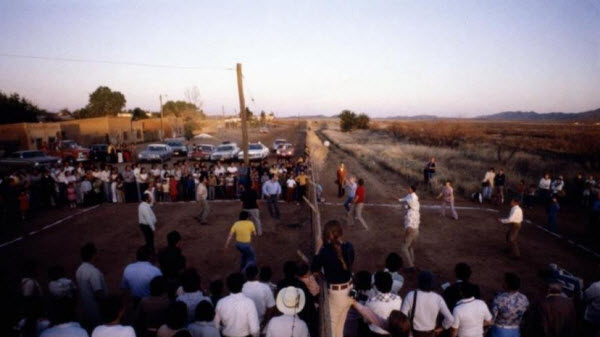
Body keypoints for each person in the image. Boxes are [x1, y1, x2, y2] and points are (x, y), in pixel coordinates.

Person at [311, 220, 355, 337]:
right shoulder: (349, 246)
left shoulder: (325, 251)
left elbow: (314, 268)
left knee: (332, 326)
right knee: (340, 326)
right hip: (349, 288)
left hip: (336, 294)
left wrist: (319, 248)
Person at [400, 271, 453, 337]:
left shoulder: (411, 295)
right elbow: (450, 319)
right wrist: (441, 328)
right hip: (430, 334)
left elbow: (402, 317)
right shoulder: (438, 298)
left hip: (413, 333)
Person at [214, 272, 260, 337]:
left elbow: (215, 325)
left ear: (227, 286)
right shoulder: (249, 303)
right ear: (243, 285)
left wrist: (223, 329)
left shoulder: (221, 302)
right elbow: (254, 330)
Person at [76, 243, 108, 330]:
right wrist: (106, 307)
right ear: (93, 255)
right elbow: (98, 293)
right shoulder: (93, 272)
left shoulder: (79, 270)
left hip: (87, 309)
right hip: (97, 311)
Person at [489, 273, 529, 337]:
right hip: (515, 331)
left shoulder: (499, 298)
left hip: (500, 331)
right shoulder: (524, 298)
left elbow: (492, 318)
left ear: (507, 284)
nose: (502, 283)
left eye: (504, 281)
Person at [366, 271, 403, 336]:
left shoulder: (370, 302)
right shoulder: (398, 299)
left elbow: (366, 320)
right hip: (391, 333)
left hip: (374, 333)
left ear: (376, 286)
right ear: (391, 285)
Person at [398, 186, 420, 269]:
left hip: (411, 230)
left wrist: (405, 236)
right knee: (410, 246)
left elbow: (409, 227)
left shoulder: (410, 214)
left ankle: (411, 265)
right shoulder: (415, 211)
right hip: (416, 231)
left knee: (404, 248)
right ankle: (412, 260)